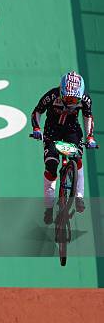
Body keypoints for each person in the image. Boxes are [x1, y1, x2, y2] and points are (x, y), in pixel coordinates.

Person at [31, 71, 97, 224]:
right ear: (61, 91)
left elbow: (88, 117)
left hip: (72, 131)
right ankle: (48, 207)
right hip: (51, 132)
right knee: (51, 164)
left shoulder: (85, 99)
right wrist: (36, 128)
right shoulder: (52, 95)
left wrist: (90, 137)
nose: (70, 101)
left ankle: (79, 197)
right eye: (67, 97)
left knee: (77, 157)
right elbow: (37, 111)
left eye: (74, 99)